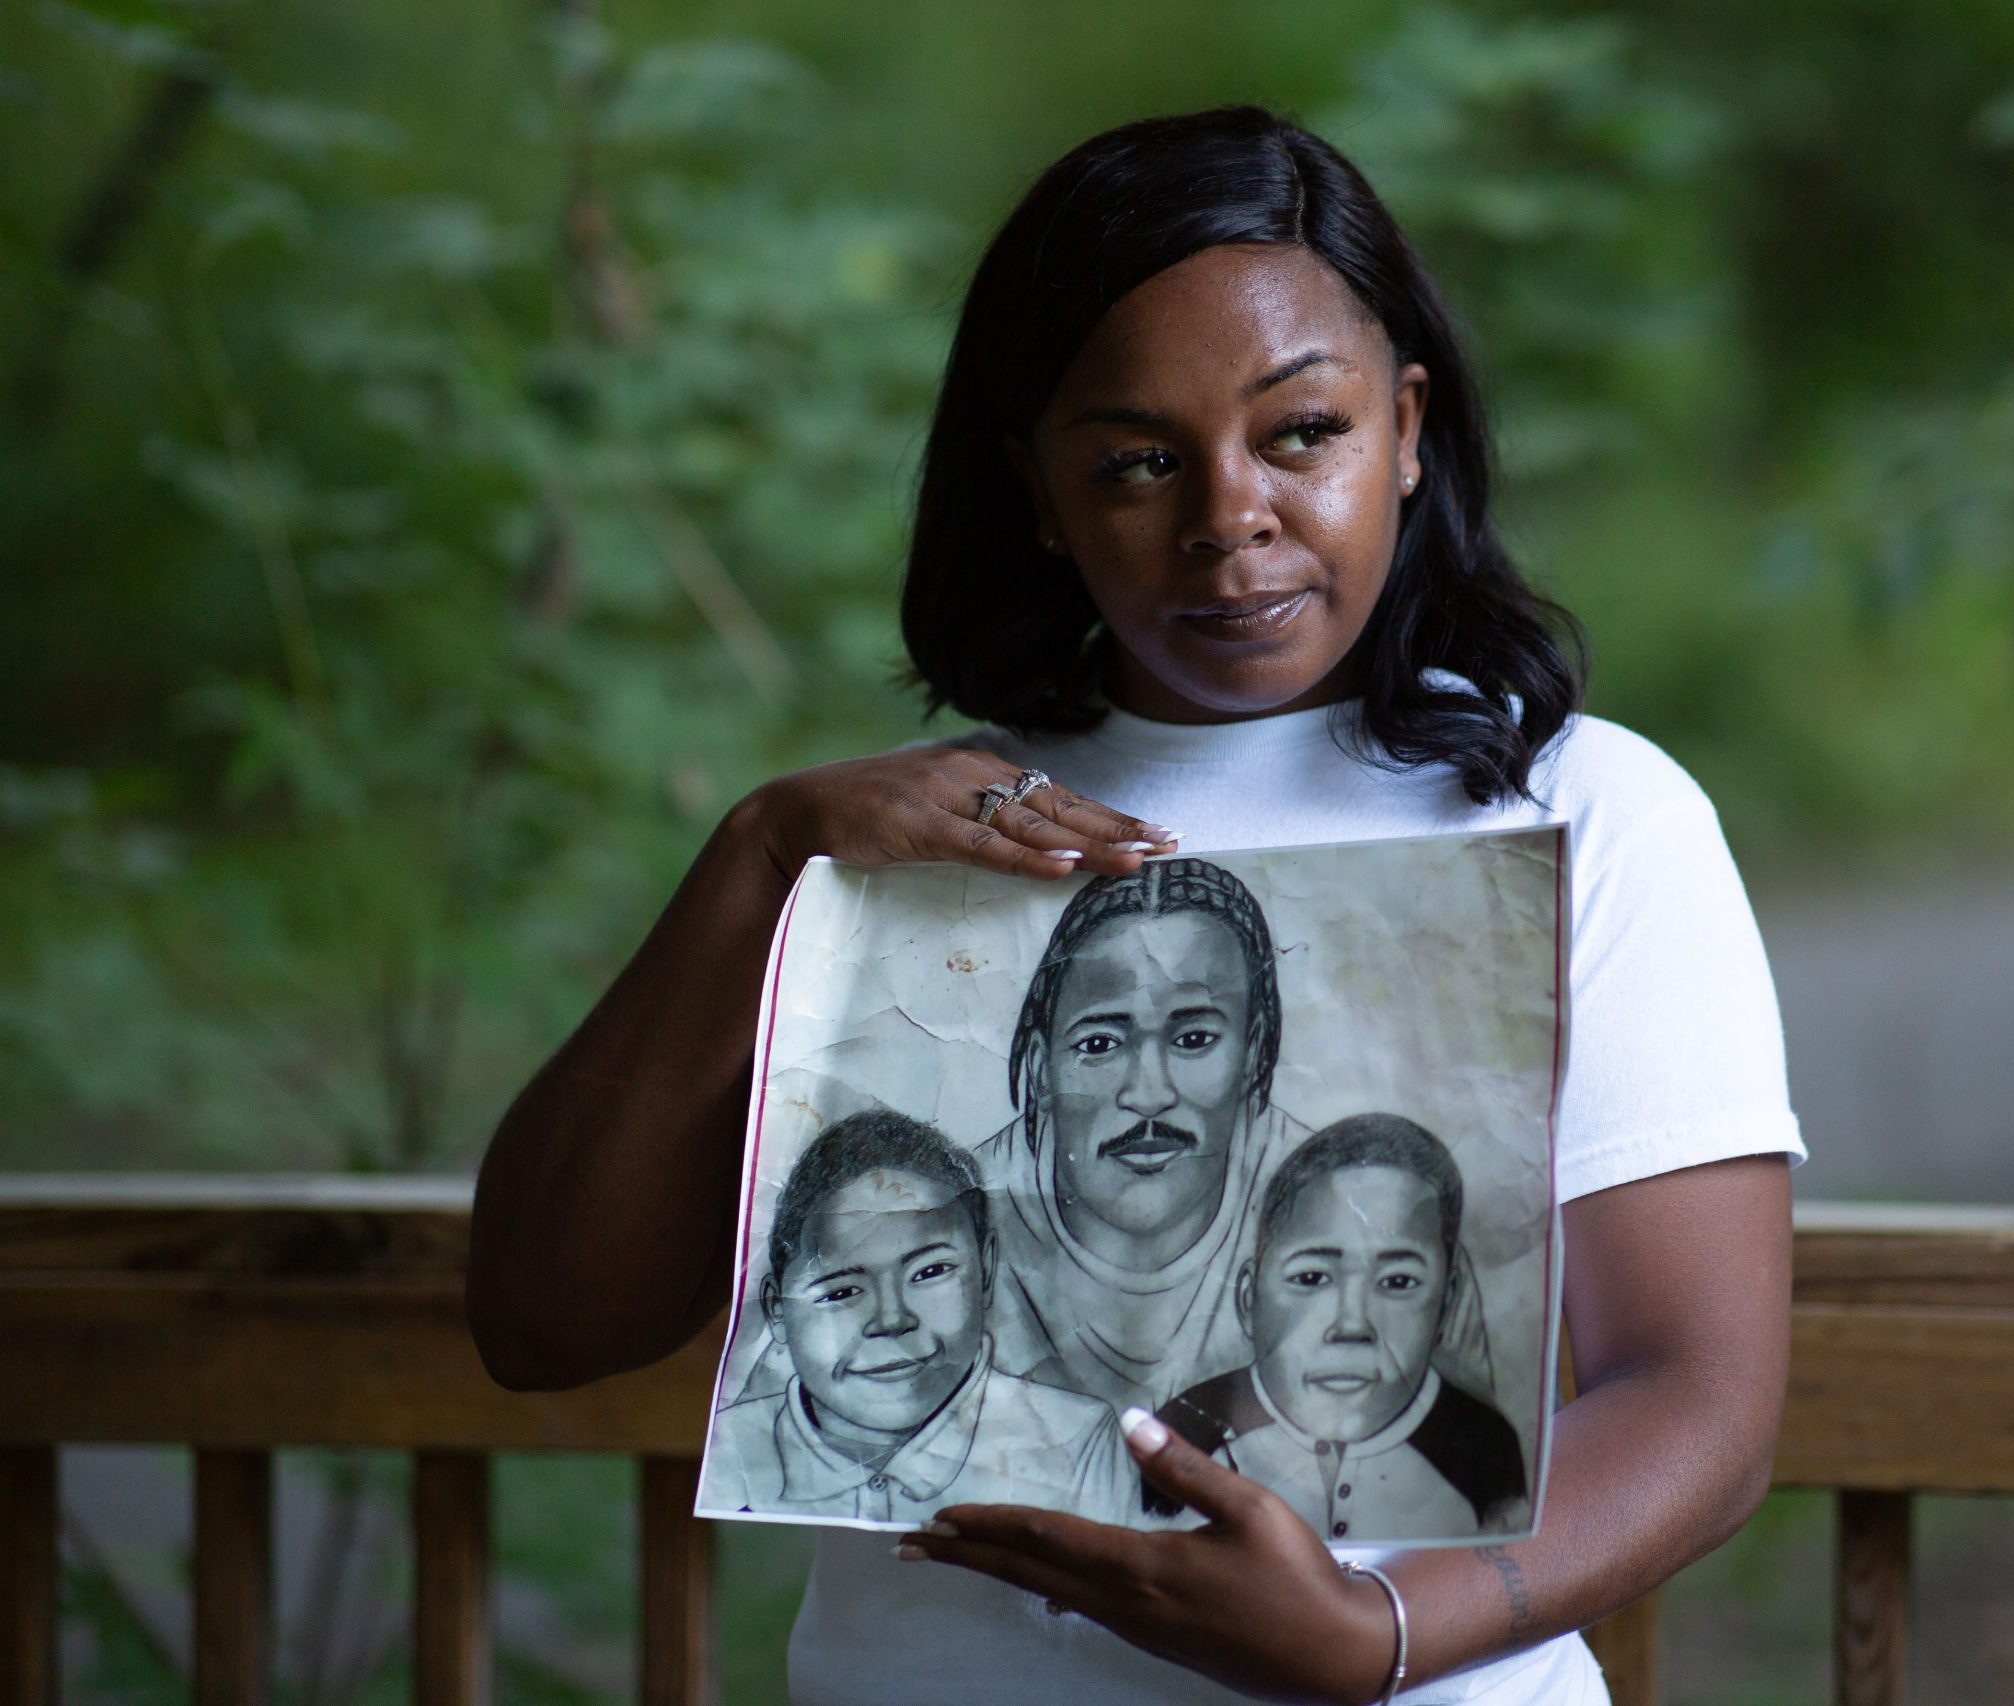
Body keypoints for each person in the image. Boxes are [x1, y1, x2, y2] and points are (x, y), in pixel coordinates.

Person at [470, 104, 1802, 1706]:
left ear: (1406, 427)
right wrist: (757, 856)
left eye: (1300, 432)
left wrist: (1382, 1630)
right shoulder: (907, 837)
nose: (1227, 514)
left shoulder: (1583, 811)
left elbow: (1699, 1393)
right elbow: (542, 1321)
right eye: (1138, 462)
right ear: (1038, 490)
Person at [976, 855, 1313, 1413]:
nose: (1150, 1094)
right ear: (1040, 1068)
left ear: (1253, 1053)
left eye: (1194, 1039)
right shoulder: (954, 1221)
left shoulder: (1333, 1206)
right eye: (1100, 1044)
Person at [700, 1109, 1141, 1526]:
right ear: (778, 1311)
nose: (892, 1319)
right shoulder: (730, 1446)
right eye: (841, 1292)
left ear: (986, 1270)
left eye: (930, 1272)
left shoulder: (1077, 1443)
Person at [1155, 1114, 1530, 1543]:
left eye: (1398, 1282)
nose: (1352, 1325)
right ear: (1248, 1299)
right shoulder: (1184, 1434)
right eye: (1311, 1277)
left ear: (1446, 1302)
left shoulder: (1484, 1454)